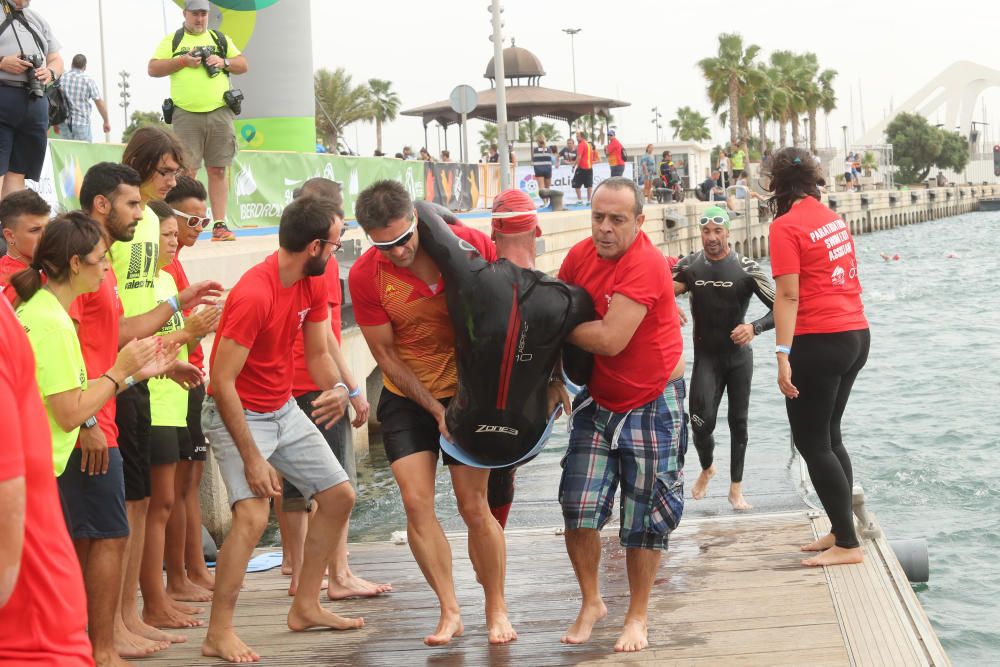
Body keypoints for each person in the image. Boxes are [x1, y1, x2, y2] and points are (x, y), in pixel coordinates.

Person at [348, 180, 517, 646]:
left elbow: (515, 310)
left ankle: (496, 607)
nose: (398, 251)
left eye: (404, 239)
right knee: (416, 503)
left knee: (473, 506)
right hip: (410, 394)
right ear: (368, 237)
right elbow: (385, 356)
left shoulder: (468, 245)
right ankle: (449, 610)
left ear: (417, 220)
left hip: (470, 392)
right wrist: (434, 409)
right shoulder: (366, 276)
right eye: (385, 245)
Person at [200, 195, 363, 663]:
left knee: (339, 496)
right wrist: (253, 457)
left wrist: (336, 388)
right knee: (251, 516)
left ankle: (306, 605)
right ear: (314, 245)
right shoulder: (254, 294)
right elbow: (221, 383)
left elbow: (316, 354)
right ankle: (218, 633)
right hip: (238, 412)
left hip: (283, 407)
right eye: (333, 244)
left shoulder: (313, 280)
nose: (335, 252)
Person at [72, 161, 217, 662]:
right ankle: (106, 635)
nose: (143, 215)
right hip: (93, 411)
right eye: (135, 203)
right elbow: (78, 348)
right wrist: (90, 418)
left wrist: (172, 329)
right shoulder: (80, 261)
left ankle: (120, 622)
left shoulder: (103, 263)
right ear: (101, 205)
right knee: (114, 526)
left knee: (127, 516)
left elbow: (121, 333)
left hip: (117, 398)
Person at [557, 176, 686, 653]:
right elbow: (556, 306)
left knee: (645, 518)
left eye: (617, 219)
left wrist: (560, 329)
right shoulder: (577, 257)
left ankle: (637, 615)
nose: (605, 229)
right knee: (577, 505)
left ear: (639, 221)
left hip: (653, 399)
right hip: (600, 398)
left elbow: (610, 340)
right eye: (597, 217)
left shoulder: (647, 263)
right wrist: (554, 376)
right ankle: (592, 602)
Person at [415, 192, 591, 527]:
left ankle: (487, 545)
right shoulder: (571, 298)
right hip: (526, 439)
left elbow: (422, 211)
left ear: (493, 232)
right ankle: (500, 531)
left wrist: (459, 223)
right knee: (521, 411)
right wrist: (555, 376)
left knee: (475, 489)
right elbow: (580, 372)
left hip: (464, 432)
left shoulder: (466, 271)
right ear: (537, 233)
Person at [116, 130, 222, 645]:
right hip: (134, 385)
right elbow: (123, 326)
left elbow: (145, 319)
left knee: (156, 500)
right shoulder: (132, 241)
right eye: (164, 174)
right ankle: (145, 604)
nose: (170, 182)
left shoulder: (151, 254)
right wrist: (181, 329)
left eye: (175, 173)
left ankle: (148, 602)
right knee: (146, 503)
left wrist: (178, 335)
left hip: (158, 382)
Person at [277, 177, 387, 602]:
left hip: (289, 387)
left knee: (295, 491)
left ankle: (299, 570)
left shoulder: (285, 261)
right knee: (337, 485)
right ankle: (339, 574)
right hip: (317, 387)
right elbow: (323, 342)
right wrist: (352, 388)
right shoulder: (319, 267)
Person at [766, 147, 870, 567]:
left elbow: (788, 295)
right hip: (855, 334)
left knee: (812, 442)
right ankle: (840, 528)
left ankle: (848, 544)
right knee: (831, 436)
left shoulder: (785, 227)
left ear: (774, 184)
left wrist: (782, 354)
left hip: (819, 340)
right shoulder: (833, 220)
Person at [0, 275, 92, 667]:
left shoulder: (44, 318)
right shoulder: (31, 312)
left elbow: (7, 495)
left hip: (27, 637)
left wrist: (124, 375)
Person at [138, 201, 219, 631]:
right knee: (154, 503)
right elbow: (142, 342)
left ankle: (178, 581)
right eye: (164, 235)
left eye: (174, 235)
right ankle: (158, 595)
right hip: (149, 397)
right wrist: (191, 330)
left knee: (169, 498)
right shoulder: (137, 284)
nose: (172, 242)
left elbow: (173, 340)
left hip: (174, 396)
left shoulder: (169, 278)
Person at [673, 206, 775, 510]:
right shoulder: (690, 266)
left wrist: (753, 328)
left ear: (728, 233)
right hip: (706, 358)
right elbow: (655, 285)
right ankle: (707, 468)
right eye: (706, 231)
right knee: (699, 424)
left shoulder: (747, 268)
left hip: (738, 358)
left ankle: (736, 488)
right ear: (700, 233)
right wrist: (669, 301)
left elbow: (782, 307)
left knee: (738, 423)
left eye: (718, 231)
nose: (712, 237)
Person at [148, 0, 248, 242]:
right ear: (185, 14)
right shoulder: (173, 40)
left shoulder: (219, 39)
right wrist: (182, 61)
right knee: (186, 172)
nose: (199, 19)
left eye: (203, 14)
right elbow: (153, 68)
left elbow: (243, 64)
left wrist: (222, 62)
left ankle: (220, 225)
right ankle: (182, 224)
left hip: (220, 112)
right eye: (195, 14)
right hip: (185, 113)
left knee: (218, 169)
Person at [162, 176, 216, 600]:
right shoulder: (161, 263)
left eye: (205, 220)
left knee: (190, 483)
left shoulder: (175, 261)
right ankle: (180, 577)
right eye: (192, 220)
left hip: (191, 375)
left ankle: (195, 570)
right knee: (174, 490)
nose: (198, 228)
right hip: (172, 379)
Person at [0, 0, 63, 198]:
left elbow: (57, 59)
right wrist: (3, 62)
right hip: (3, 97)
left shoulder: (37, 19)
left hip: (34, 101)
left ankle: (8, 227)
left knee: (17, 174)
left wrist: (50, 72)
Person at [0, 187, 48, 284]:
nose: (46, 235)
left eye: (48, 227)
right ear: (9, 236)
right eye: (35, 230)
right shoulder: (7, 283)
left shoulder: (55, 265)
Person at [58, 53, 110, 141]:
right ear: (84, 67)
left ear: (71, 65)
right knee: (83, 153)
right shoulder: (88, 81)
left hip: (64, 123)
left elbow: (57, 101)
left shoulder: (61, 79)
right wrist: (106, 121)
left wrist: (56, 123)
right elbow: (99, 103)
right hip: (82, 124)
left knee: (67, 153)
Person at [572, 131, 594, 205]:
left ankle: (580, 200)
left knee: (576, 184)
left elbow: (579, 157)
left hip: (582, 167)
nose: (576, 138)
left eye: (577, 136)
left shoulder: (581, 145)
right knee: (589, 185)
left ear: (582, 137)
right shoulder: (589, 145)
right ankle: (589, 201)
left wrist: (574, 165)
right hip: (589, 167)